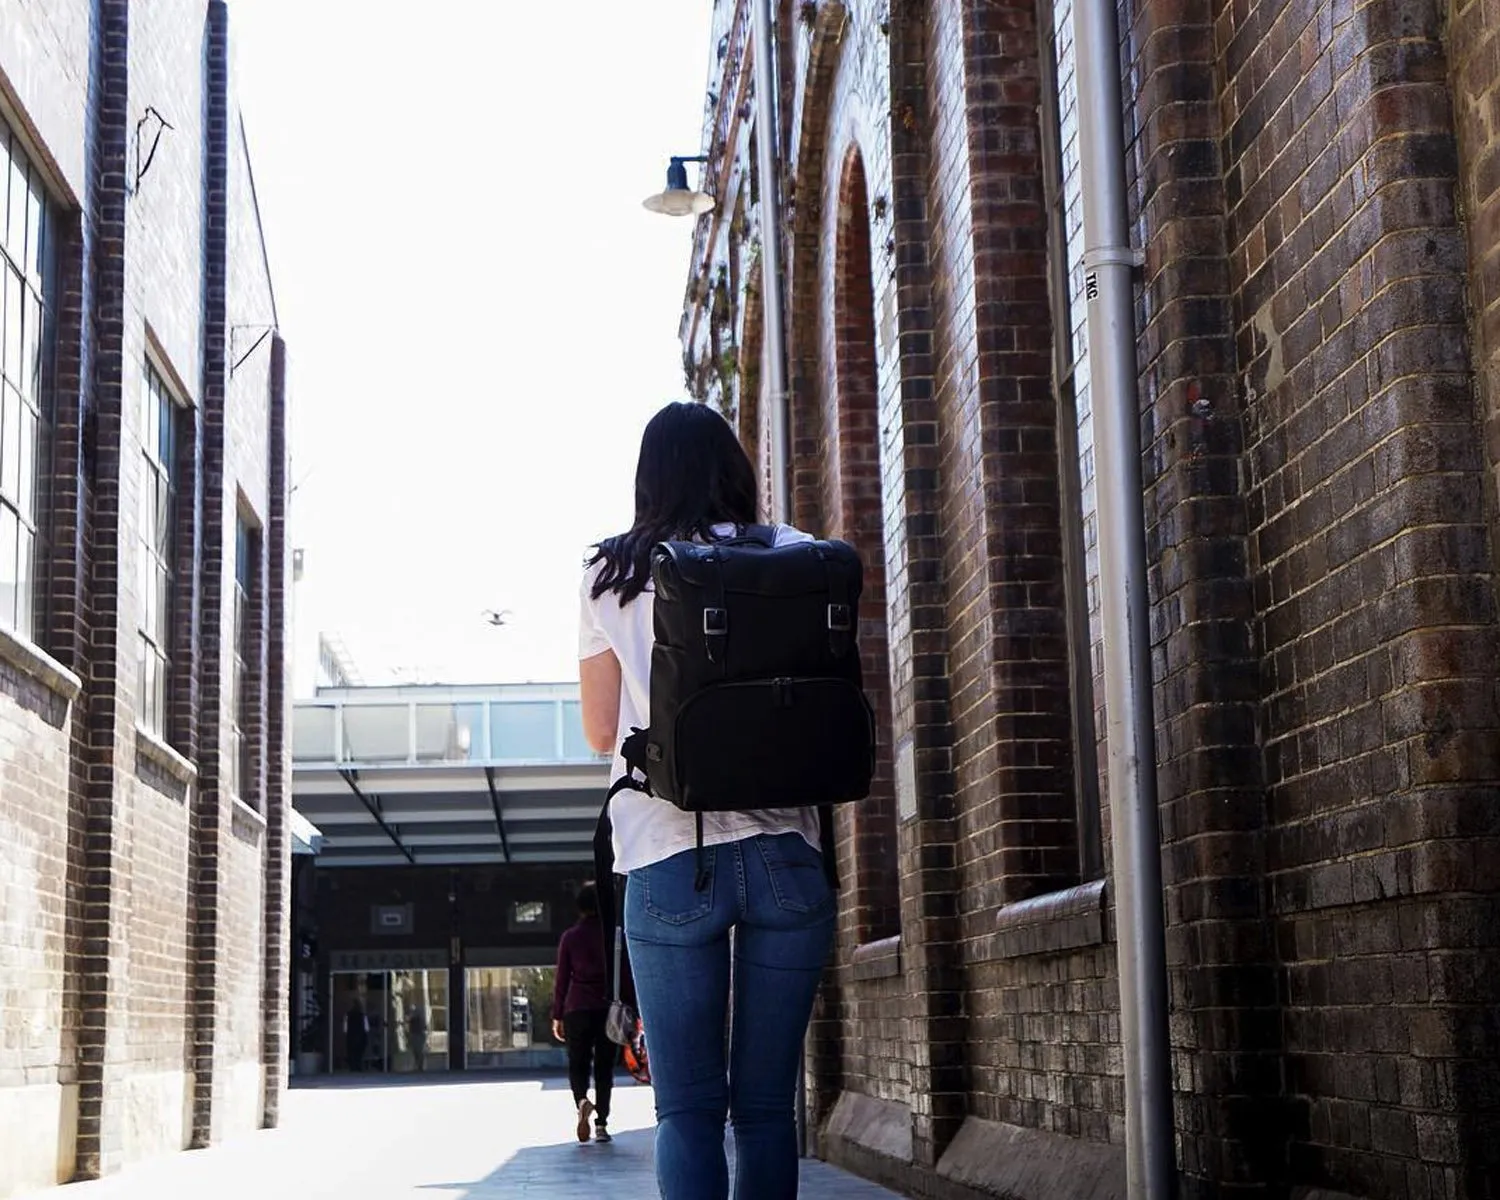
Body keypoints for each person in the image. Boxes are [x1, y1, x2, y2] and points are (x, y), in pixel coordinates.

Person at [577, 401, 837, 1199]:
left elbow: (597, 733)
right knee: (764, 1110)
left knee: (686, 1110)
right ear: (735, 469)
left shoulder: (611, 571)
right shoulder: (795, 555)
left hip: (665, 854)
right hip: (789, 854)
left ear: (647, 479)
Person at [551, 882, 628, 1144]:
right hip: (607, 1009)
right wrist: (631, 1008)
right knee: (604, 1068)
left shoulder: (570, 937)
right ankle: (602, 1124)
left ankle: (582, 1100)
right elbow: (624, 975)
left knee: (578, 1063)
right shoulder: (614, 936)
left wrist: (557, 1014)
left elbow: (562, 978)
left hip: (576, 1007)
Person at [344, 997, 368, 1073]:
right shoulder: (362, 1015)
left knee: (351, 1051)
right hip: (360, 1035)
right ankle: (358, 1066)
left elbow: (345, 1027)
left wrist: (346, 1033)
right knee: (359, 1052)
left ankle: (352, 1067)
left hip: (350, 1035)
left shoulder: (348, 1015)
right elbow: (366, 1027)